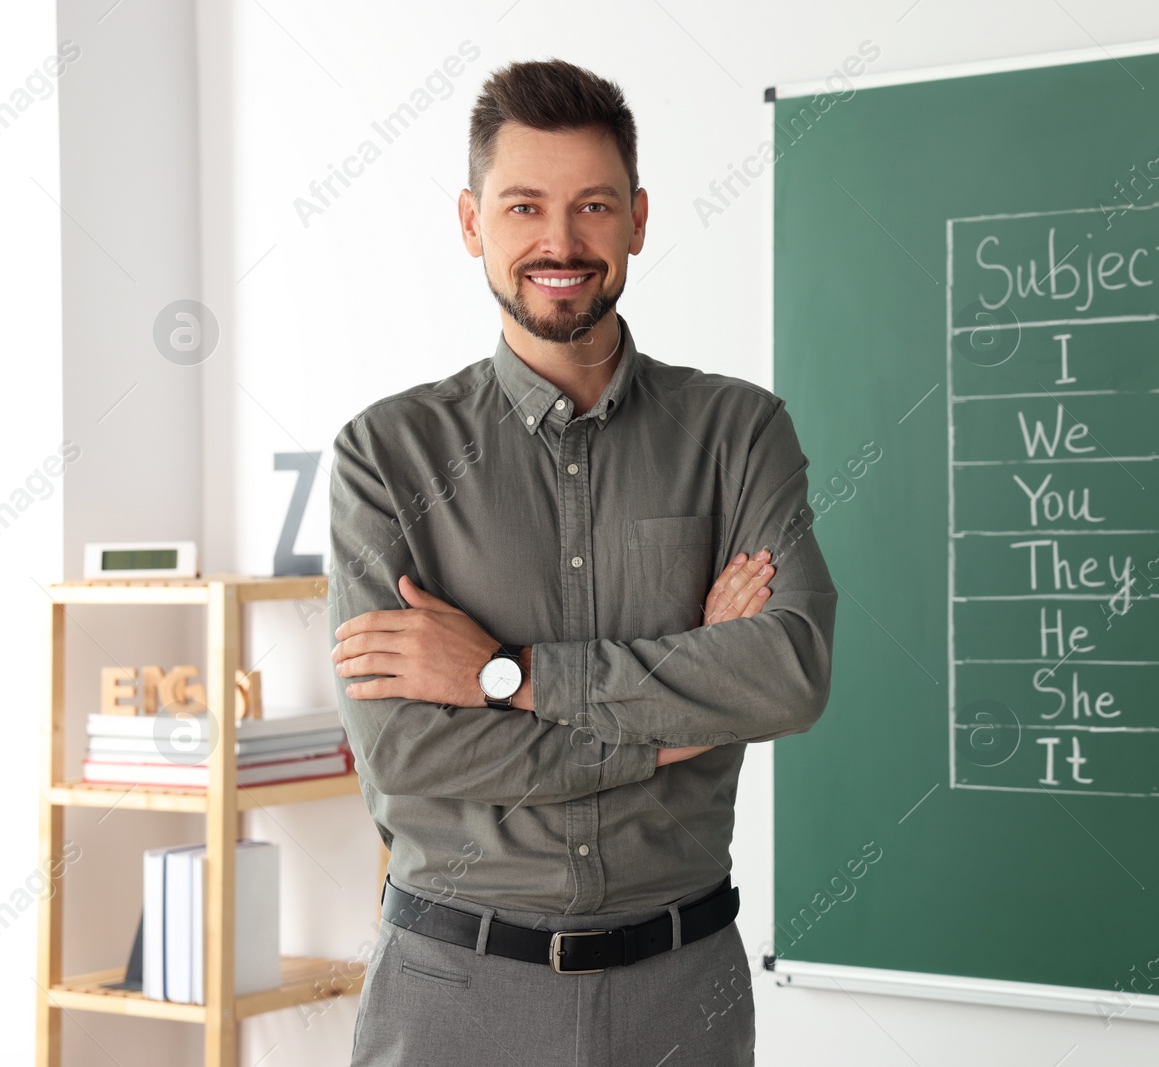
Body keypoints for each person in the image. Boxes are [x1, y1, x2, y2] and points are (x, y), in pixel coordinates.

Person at [325, 58, 837, 1066]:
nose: (559, 242)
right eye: (524, 206)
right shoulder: (385, 457)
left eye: (592, 205)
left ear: (637, 219)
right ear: (472, 223)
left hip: (680, 992)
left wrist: (497, 676)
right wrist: (677, 707)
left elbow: (787, 674)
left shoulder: (738, 431)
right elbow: (407, 755)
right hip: (451, 998)